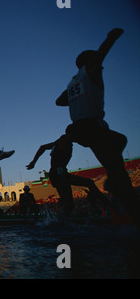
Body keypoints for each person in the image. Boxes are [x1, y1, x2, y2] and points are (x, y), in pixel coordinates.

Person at [55, 28, 140, 229]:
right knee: (120, 175)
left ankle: (114, 181)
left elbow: (59, 101)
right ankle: (119, 193)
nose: (101, 68)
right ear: (90, 63)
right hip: (93, 125)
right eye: (97, 63)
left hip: (79, 128)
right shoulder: (89, 73)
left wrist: (75, 97)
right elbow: (100, 57)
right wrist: (110, 39)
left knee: (120, 140)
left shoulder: (73, 82)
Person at [26, 134, 115, 219]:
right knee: (84, 188)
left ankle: (109, 205)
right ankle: (110, 205)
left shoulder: (64, 141)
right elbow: (43, 147)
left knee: (70, 204)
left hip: (60, 173)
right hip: (58, 174)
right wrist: (33, 162)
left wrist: (34, 161)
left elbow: (43, 147)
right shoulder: (65, 139)